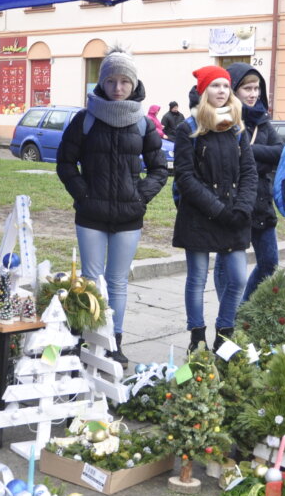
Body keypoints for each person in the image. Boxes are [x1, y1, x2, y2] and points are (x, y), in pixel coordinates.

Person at [57, 45, 168, 367]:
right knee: (91, 279)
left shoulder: (143, 123)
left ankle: (114, 343)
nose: (118, 88)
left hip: (128, 217)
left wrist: (139, 196)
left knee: (118, 281)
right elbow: (65, 162)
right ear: (101, 83)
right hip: (91, 215)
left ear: (134, 84)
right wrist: (83, 195)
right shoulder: (85, 119)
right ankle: (90, 339)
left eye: (124, 81)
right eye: (111, 81)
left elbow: (159, 169)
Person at [173, 66, 257, 351]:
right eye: (215, 85)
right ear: (203, 91)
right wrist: (218, 210)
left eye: (225, 86)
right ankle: (197, 338)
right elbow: (185, 177)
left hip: (233, 216)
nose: (221, 91)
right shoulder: (188, 128)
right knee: (197, 278)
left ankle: (224, 333)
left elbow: (249, 172)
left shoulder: (236, 127)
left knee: (238, 278)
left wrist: (242, 208)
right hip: (200, 216)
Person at [227, 62, 283, 307]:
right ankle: (228, 315)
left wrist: (248, 152)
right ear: (234, 91)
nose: (253, 94)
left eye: (256, 88)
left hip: (262, 204)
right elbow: (230, 160)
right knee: (229, 269)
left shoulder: (263, 121)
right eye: (247, 89)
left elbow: (280, 152)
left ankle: (242, 309)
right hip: (236, 204)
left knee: (269, 263)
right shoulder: (226, 120)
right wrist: (259, 159)